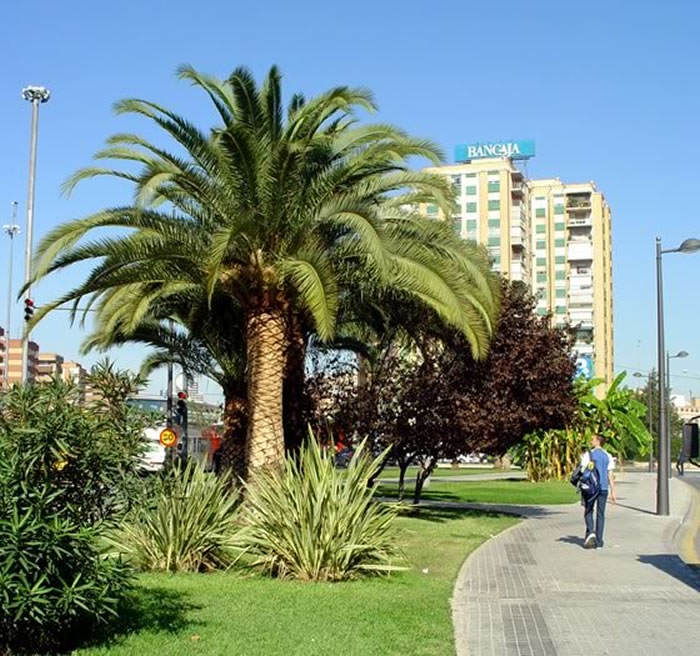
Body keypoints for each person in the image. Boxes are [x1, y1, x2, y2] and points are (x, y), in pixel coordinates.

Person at [580, 434, 616, 549]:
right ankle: (599, 542)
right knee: (601, 514)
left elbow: (583, 470)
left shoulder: (589, 455)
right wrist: (613, 492)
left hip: (591, 488)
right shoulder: (608, 456)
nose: (591, 441)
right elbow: (610, 475)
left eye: (592, 439)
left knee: (588, 510)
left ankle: (591, 531)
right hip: (604, 488)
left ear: (597, 441)